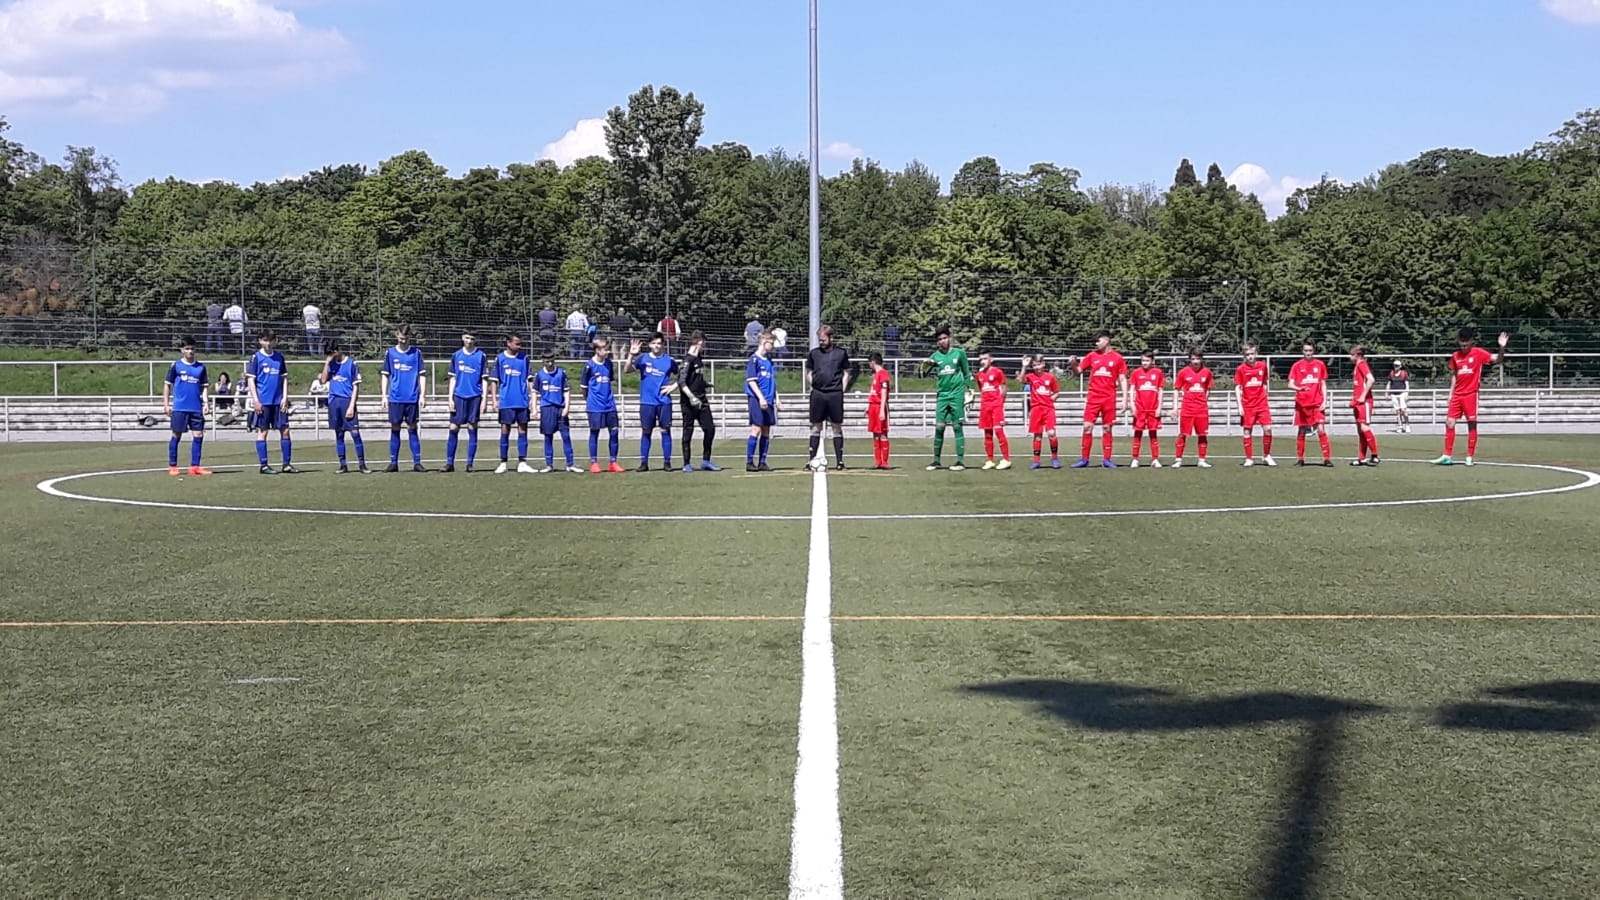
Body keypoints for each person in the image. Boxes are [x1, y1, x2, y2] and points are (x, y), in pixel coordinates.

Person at [1434, 328, 1510, 467]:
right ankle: (1447, 455)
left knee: (1472, 425)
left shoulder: (1479, 353)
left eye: (1466, 344)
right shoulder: (1455, 356)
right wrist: (1450, 394)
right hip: (1457, 395)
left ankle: (1469, 456)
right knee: (1449, 423)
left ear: (1471, 342)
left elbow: (1498, 360)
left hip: (1471, 394)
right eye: (1461, 344)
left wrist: (1501, 347)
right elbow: (1455, 375)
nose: (1463, 347)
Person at [1069, 330, 1129, 468]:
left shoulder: (1117, 358)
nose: (1096, 343)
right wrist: (1073, 364)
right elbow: (1078, 371)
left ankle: (1107, 460)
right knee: (1087, 427)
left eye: (1098, 340)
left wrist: (1125, 399)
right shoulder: (1092, 355)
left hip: (1109, 398)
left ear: (1106, 340)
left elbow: (1122, 379)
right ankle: (1084, 459)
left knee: (1107, 428)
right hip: (1093, 397)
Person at [245, 328, 298, 475]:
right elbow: (251, 380)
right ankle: (263, 465)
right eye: (265, 340)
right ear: (260, 341)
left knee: (285, 431)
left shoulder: (279, 358)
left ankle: (286, 464)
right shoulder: (256, 358)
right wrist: (256, 400)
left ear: (275, 341)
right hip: (263, 402)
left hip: (278, 401)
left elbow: (284, 379)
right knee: (263, 432)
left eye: (271, 340)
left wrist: (285, 397)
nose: (268, 343)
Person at [806, 325, 855, 471]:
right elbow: (809, 371)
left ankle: (840, 461)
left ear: (831, 338)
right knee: (816, 426)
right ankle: (811, 460)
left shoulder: (840, 353)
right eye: (819, 340)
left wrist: (842, 388)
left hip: (834, 394)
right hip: (818, 394)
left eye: (823, 339)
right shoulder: (814, 354)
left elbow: (847, 372)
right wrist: (813, 383)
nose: (821, 342)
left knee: (836, 425)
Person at [381, 324, 428, 473]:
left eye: (405, 338)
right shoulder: (390, 353)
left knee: (412, 428)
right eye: (401, 338)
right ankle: (393, 463)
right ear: (396, 335)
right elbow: (385, 375)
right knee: (395, 428)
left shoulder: (416, 353)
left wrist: (423, 395)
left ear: (409, 337)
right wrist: (384, 395)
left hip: (412, 398)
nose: (403, 341)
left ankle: (417, 463)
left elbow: (422, 375)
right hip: (395, 398)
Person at [162, 336, 211, 476]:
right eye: (187, 349)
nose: (190, 351)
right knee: (176, 435)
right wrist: (166, 404)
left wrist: (206, 403)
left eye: (192, 349)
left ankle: (195, 467)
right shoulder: (176, 366)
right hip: (180, 407)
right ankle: (172, 466)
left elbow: (204, 387)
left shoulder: (201, 367)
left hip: (196, 407)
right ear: (182, 350)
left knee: (199, 435)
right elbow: (167, 385)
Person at [925, 327, 973, 471]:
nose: (942, 341)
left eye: (945, 338)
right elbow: (922, 374)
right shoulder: (935, 356)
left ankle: (960, 461)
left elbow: (966, 372)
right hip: (942, 395)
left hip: (956, 394)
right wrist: (925, 366)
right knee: (939, 428)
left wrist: (970, 389)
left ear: (949, 338)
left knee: (957, 426)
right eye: (940, 339)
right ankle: (936, 461)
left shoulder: (959, 353)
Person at [629, 332, 677, 471]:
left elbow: (682, 375)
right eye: (654, 343)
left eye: (659, 343)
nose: (656, 346)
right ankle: (644, 463)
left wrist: (673, 387)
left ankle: (667, 463)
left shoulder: (669, 360)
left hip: (664, 402)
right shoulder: (642, 358)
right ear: (649, 345)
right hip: (647, 402)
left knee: (665, 431)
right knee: (646, 431)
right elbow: (627, 370)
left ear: (662, 345)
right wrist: (631, 355)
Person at [489, 333, 536, 474]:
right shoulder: (500, 358)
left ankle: (522, 462)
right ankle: (503, 462)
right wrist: (494, 400)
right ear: (508, 343)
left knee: (523, 430)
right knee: (505, 430)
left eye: (520, 343)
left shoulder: (524, 358)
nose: (519, 346)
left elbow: (530, 380)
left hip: (522, 401)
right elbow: (494, 380)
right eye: (517, 343)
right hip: (506, 401)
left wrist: (532, 400)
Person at [321, 341, 371, 474]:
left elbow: (356, 387)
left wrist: (351, 406)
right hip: (334, 402)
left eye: (331, 354)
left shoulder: (351, 364)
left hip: (347, 402)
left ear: (337, 351)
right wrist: (326, 363)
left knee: (355, 433)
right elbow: (323, 380)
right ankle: (343, 465)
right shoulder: (331, 364)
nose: (330, 357)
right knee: (339, 434)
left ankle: (362, 465)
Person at [678, 330, 723, 472]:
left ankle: (706, 461)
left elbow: (696, 378)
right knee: (688, 430)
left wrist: (705, 384)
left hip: (702, 400)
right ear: (700, 342)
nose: (704, 346)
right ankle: (686, 463)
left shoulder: (699, 359)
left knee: (710, 429)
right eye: (704, 343)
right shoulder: (687, 360)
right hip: (688, 402)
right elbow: (681, 382)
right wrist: (691, 397)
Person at [582, 338, 626, 473]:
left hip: (610, 405)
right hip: (595, 406)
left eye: (607, 349)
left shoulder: (608, 364)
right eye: (605, 349)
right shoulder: (589, 366)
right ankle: (594, 463)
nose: (607, 352)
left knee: (614, 432)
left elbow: (609, 380)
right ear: (597, 350)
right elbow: (584, 387)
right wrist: (590, 400)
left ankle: (613, 462)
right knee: (594, 432)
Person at [444, 330, 485, 473]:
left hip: (474, 396)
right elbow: (453, 378)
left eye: (472, 338)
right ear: (462, 338)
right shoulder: (456, 355)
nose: (469, 341)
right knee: (453, 428)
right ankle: (449, 463)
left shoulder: (481, 356)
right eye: (467, 338)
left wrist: (484, 399)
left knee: (472, 428)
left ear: (475, 340)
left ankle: (469, 464)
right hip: (459, 396)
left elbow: (484, 378)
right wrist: (450, 398)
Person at [533, 351, 580, 473]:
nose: (550, 363)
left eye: (552, 361)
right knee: (548, 437)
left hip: (560, 408)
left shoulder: (561, 373)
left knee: (566, 436)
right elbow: (534, 392)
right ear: (543, 361)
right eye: (547, 361)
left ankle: (570, 464)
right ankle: (549, 465)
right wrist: (534, 408)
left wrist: (567, 407)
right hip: (547, 408)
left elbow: (566, 391)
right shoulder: (539, 375)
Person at [1289, 339, 1333, 467]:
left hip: (1316, 403)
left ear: (1313, 351)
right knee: (1302, 430)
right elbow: (1290, 384)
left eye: (1310, 350)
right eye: (1306, 350)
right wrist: (1299, 388)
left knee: (1321, 429)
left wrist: (1325, 401)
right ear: (1302, 351)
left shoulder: (1319, 364)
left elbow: (1323, 384)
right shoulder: (1296, 366)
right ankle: (1300, 459)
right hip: (1302, 404)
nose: (1308, 353)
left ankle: (1327, 459)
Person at [1235, 342, 1277, 467]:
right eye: (1247, 354)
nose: (1250, 356)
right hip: (1248, 405)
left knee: (1268, 429)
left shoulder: (1263, 366)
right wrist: (1239, 405)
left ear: (1256, 354)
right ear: (1244, 356)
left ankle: (1267, 456)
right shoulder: (1241, 369)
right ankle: (1249, 458)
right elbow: (1237, 387)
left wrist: (1265, 396)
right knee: (1247, 431)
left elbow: (1264, 383)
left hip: (1261, 403)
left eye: (1252, 354)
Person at [1172, 350, 1214, 468]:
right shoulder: (1183, 372)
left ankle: (1202, 460)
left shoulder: (1207, 372)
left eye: (1198, 359)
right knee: (1182, 434)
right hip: (1187, 408)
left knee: (1202, 435)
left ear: (1201, 359)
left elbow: (1208, 389)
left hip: (1201, 409)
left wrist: (1203, 402)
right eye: (1193, 359)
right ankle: (1178, 460)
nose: (1195, 361)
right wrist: (1175, 407)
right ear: (1190, 360)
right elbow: (1176, 389)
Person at [745, 331, 779, 472]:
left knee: (766, 429)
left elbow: (772, 381)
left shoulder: (769, 360)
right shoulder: (754, 359)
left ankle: (762, 462)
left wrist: (777, 398)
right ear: (764, 342)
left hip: (769, 399)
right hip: (757, 399)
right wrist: (761, 398)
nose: (773, 346)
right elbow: (751, 381)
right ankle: (749, 462)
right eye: (771, 343)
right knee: (756, 428)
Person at [1021, 354, 1061, 469]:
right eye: (1034, 365)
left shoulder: (1050, 377)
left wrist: (1052, 398)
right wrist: (1024, 366)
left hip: (1048, 409)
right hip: (1036, 409)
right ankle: (1036, 461)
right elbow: (1022, 380)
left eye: (1038, 364)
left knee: (1051, 433)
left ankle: (1054, 458)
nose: (1037, 367)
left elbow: (1057, 391)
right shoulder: (1031, 377)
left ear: (1043, 364)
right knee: (1037, 436)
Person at [974, 350, 1012, 470]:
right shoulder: (979, 375)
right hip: (985, 406)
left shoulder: (997, 372)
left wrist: (1000, 403)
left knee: (999, 431)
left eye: (985, 359)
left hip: (996, 405)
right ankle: (990, 460)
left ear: (991, 360)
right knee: (987, 433)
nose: (982, 361)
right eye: (981, 359)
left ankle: (1006, 459)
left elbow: (1004, 388)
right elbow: (981, 389)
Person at [1129, 350, 1165, 468]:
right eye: (1143, 360)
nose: (1144, 363)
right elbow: (1132, 389)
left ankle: (1155, 459)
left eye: (1147, 360)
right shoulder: (1136, 372)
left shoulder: (1158, 372)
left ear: (1152, 361)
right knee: (1137, 433)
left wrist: (1159, 407)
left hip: (1153, 409)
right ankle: (1135, 459)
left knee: (1153, 434)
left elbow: (1160, 391)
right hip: (1140, 408)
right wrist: (1132, 405)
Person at [1349, 344, 1381, 467]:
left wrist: (1363, 396)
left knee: (1364, 427)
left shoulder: (1362, 364)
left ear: (1358, 355)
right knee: (1360, 430)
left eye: (1352, 354)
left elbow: (1371, 379)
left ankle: (1375, 455)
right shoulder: (1357, 366)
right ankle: (1361, 458)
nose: (1350, 357)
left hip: (1365, 402)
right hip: (1358, 402)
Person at [866, 352, 892, 469]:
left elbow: (884, 392)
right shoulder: (876, 375)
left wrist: (882, 410)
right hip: (873, 406)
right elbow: (874, 391)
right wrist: (868, 407)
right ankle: (877, 462)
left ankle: (884, 462)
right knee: (875, 434)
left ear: (872, 362)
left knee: (882, 433)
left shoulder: (883, 374)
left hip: (879, 406)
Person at [1388, 360, 1411, 433]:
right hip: (1394, 394)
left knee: (1403, 410)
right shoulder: (1391, 373)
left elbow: (1407, 384)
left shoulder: (1404, 373)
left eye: (1397, 365)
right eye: (1395, 365)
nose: (1396, 367)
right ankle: (1400, 426)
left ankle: (1407, 425)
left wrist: (1407, 393)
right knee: (1397, 411)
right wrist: (1387, 393)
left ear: (1400, 366)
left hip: (1402, 393)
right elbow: (1389, 383)